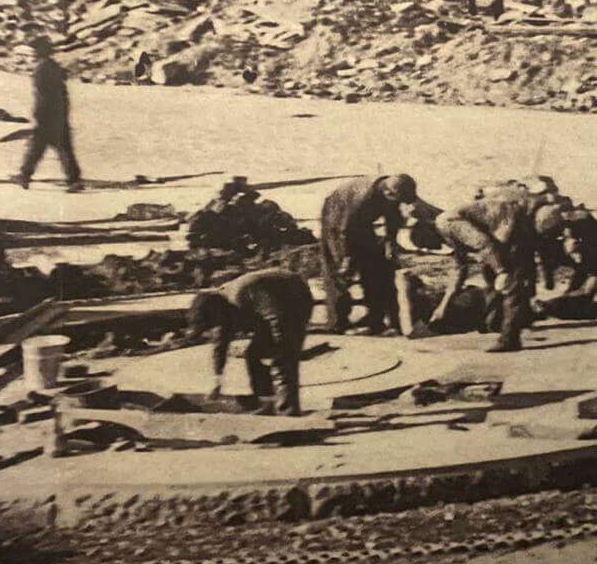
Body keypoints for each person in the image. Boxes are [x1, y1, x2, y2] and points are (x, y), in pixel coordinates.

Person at [319, 173, 436, 335]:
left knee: (375, 266)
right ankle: (338, 323)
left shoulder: (391, 191)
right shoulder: (360, 199)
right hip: (337, 221)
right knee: (339, 273)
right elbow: (343, 231)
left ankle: (375, 320)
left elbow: (393, 219)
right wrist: (345, 258)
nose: (401, 204)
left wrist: (391, 244)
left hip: (362, 224)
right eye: (399, 200)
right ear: (389, 194)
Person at [187, 269, 314, 416]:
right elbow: (220, 342)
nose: (214, 329)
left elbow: (277, 316)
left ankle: (288, 413)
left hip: (294, 299)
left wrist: (281, 345)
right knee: (254, 354)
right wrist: (217, 379)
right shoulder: (222, 308)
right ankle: (267, 402)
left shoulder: (241, 294)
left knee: (282, 360)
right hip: (266, 311)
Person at [433, 197, 543, 352]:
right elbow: (460, 268)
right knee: (491, 274)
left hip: (512, 224)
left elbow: (483, 243)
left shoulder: (448, 223)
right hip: (506, 227)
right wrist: (443, 306)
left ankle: (509, 339)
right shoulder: (449, 232)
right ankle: (512, 318)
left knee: (510, 282)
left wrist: (501, 271)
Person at [14, 35, 84, 193]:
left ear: (39, 52)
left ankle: (24, 176)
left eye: (33, 52)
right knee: (64, 150)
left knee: (36, 148)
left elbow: (43, 97)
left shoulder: (42, 70)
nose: (31, 55)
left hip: (47, 117)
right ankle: (74, 180)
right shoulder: (53, 67)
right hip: (58, 116)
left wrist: (39, 116)